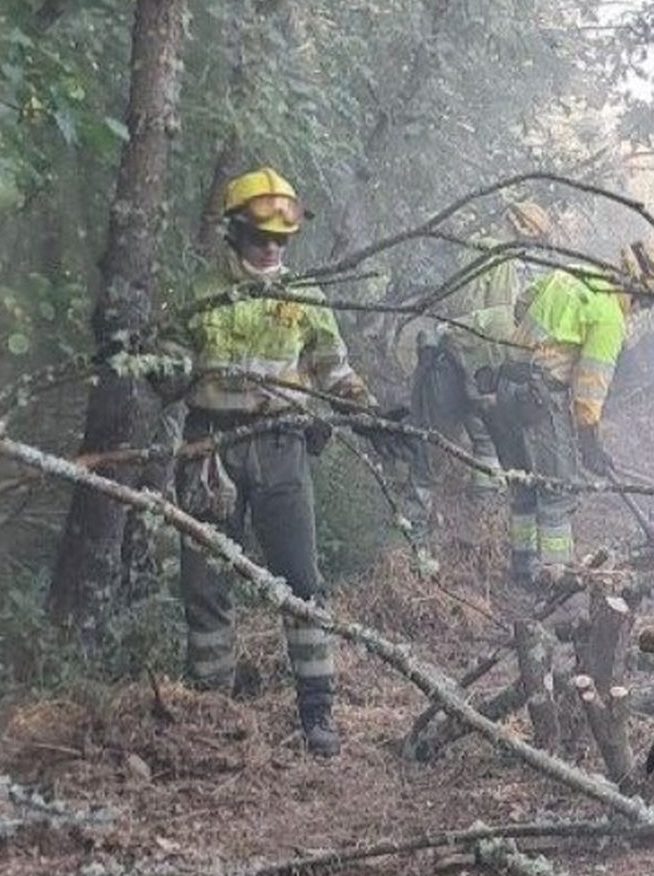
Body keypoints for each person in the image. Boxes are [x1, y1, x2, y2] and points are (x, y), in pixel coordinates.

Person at [171, 166, 387, 758]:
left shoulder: (305, 297)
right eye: (259, 236)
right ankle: (211, 712)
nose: (271, 248)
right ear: (234, 233)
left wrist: (369, 412)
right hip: (210, 450)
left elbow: (333, 370)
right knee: (206, 583)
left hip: (283, 450)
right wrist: (145, 360)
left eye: (281, 239)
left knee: (300, 580)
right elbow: (170, 369)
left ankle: (317, 713)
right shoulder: (198, 295)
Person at [490, 238, 654, 582]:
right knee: (558, 490)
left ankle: (523, 570)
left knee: (523, 485)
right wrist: (589, 440)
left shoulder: (574, 272)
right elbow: (589, 392)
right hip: (538, 398)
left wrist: (541, 346)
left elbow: (522, 303)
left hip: (506, 385)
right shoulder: (609, 317)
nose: (645, 309)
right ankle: (556, 578)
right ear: (644, 288)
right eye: (652, 302)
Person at [405, 203, 543, 526]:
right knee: (480, 441)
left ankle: (418, 526)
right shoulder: (503, 260)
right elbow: (498, 321)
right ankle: (479, 517)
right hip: (474, 363)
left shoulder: (474, 248)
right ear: (525, 232)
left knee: (435, 445)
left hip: (453, 356)